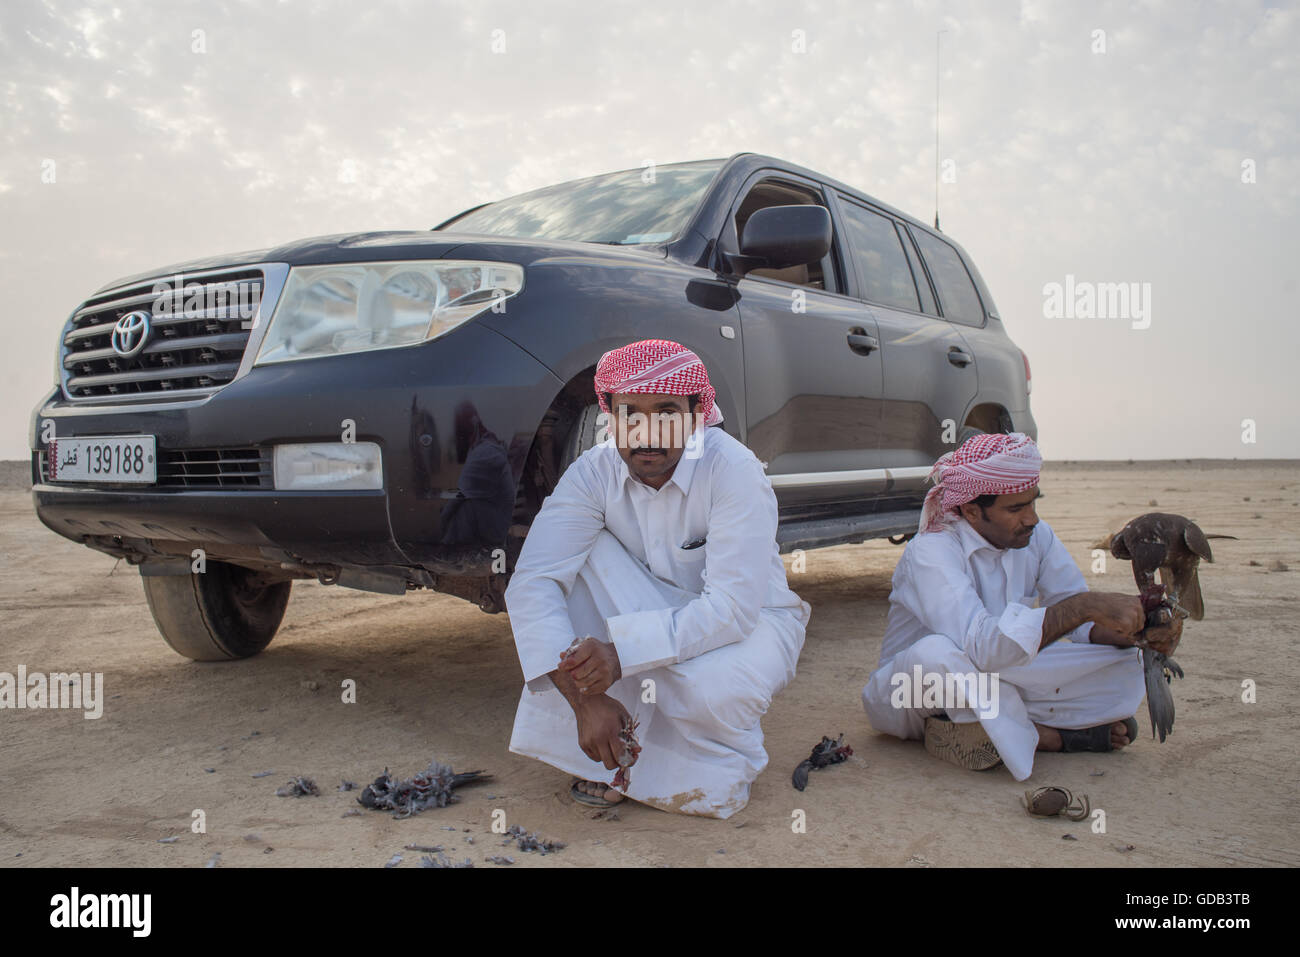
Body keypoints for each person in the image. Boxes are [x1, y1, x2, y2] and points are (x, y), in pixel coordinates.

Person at [504, 338, 810, 819]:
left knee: (714, 691)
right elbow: (532, 583)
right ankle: (607, 746)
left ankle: (687, 772)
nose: (647, 432)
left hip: (750, 622)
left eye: (666, 411)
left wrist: (621, 654)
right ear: (611, 417)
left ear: (696, 414)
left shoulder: (733, 471)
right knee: (571, 560)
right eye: (630, 414)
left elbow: (731, 608)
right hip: (645, 615)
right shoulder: (592, 472)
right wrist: (583, 698)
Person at [861, 432, 1182, 779]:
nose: (1030, 518)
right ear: (971, 510)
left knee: (1127, 660)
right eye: (1015, 509)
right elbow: (984, 646)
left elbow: (1078, 624)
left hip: (996, 674)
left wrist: (1133, 632)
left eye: (1033, 503)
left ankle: (985, 725)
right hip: (913, 691)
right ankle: (1050, 736)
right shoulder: (932, 551)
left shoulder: (1037, 537)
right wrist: (1084, 606)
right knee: (936, 653)